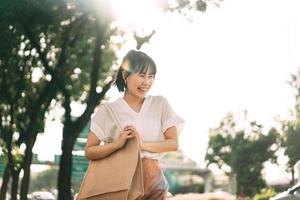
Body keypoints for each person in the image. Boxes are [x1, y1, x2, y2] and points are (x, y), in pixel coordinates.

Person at [85, 50, 185, 200]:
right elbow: (90, 151)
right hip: (119, 185)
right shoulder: (108, 110)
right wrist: (117, 144)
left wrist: (142, 145)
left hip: (153, 184)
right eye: (141, 75)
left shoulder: (159, 104)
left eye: (151, 77)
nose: (147, 82)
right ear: (125, 75)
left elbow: (173, 143)